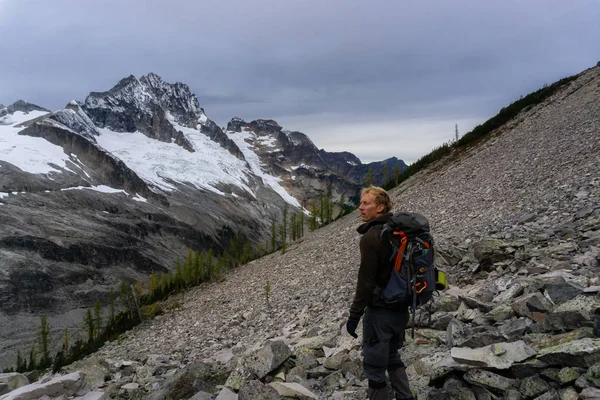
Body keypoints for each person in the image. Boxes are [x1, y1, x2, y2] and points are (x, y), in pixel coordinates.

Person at [346, 186, 414, 400]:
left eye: (366, 203)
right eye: (361, 202)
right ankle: (406, 397)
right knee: (393, 356)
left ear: (380, 207)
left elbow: (365, 282)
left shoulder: (371, 237)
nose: (360, 207)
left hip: (380, 312)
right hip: (401, 308)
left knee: (375, 368)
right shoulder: (399, 232)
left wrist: (354, 315)